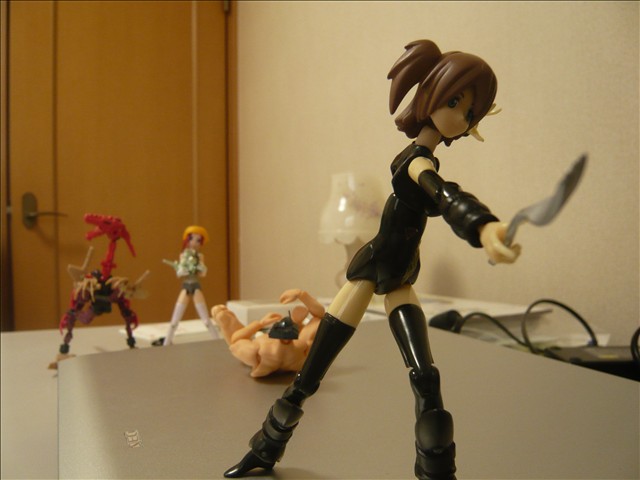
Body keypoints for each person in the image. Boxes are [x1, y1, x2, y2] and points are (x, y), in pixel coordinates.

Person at [223, 40, 521, 480]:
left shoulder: (428, 160)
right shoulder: (415, 161)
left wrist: (481, 226)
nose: (461, 117)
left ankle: (437, 470)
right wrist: (482, 226)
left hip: (401, 276)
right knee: (311, 373)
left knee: (425, 378)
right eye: (455, 101)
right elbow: (442, 193)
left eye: (470, 111)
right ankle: (265, 449)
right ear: (431, 94)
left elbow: (440, 192)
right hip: (371, 269)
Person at [212, 288, 323, 378]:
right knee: (223, 317)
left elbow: (235, 340)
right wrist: (301, 295)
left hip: (261, 353)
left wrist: (259, 324)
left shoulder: (261, 349)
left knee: (222, 317)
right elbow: (320, 317)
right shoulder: (301, 348)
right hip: (282, 357)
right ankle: (222, 316)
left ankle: (221, 315)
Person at [162, 226, 219, 345]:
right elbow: (179, 273)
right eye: (192, 239)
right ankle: (166, 343)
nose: (194, 243)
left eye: (198, 240)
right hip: (186, 286)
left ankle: (218, 342)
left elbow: (203, 273)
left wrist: (199, 267)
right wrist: (183, 269)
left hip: (196, 286)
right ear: (187, 240)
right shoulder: (183, 255)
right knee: (174, 321)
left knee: (206, 320)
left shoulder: (200, 256)